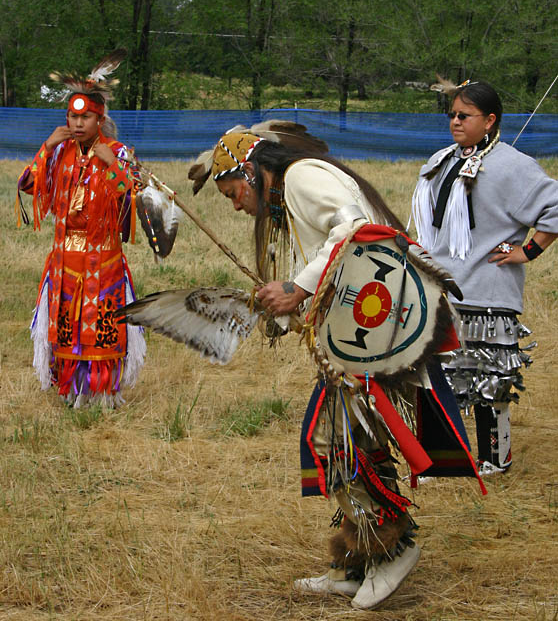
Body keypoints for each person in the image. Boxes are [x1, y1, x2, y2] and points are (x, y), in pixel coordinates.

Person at [187, 124, 480, 610]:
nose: (237, 205)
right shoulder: (293, 190)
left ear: (256, 172)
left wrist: (298, 288)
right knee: (349, 439)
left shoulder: (301, 177)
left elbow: (356, 229)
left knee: (333, 438)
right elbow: (332, 255)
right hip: (362, 334)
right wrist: (289, 299)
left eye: (234, 192)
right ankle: (356, 560)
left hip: (374, 332)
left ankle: (389, 547)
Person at [412, 79, 558, 475]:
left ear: (490, 120)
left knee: (489, 380)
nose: (455, 122)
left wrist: (526, 251)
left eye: (464, 115)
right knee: (446, 377)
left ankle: (496, 458)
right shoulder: (441, 161)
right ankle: (446, 459)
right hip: (443, 290)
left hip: (488, 292)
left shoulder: (513, 166)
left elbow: (554, 207)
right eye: (452, 115)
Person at [17, 52, 145, 408]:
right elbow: (28, 184)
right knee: (67, 324)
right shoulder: (59, 154)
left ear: (99, 118)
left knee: (100, 323)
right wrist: (46, 148)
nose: (77, 123)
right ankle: (71, 386)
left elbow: (137, 198)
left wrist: (113, 167)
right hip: (64, 261)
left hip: (103, 257)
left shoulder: (117, 152)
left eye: (84, 116)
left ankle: (102, 391)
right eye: (72, 116)